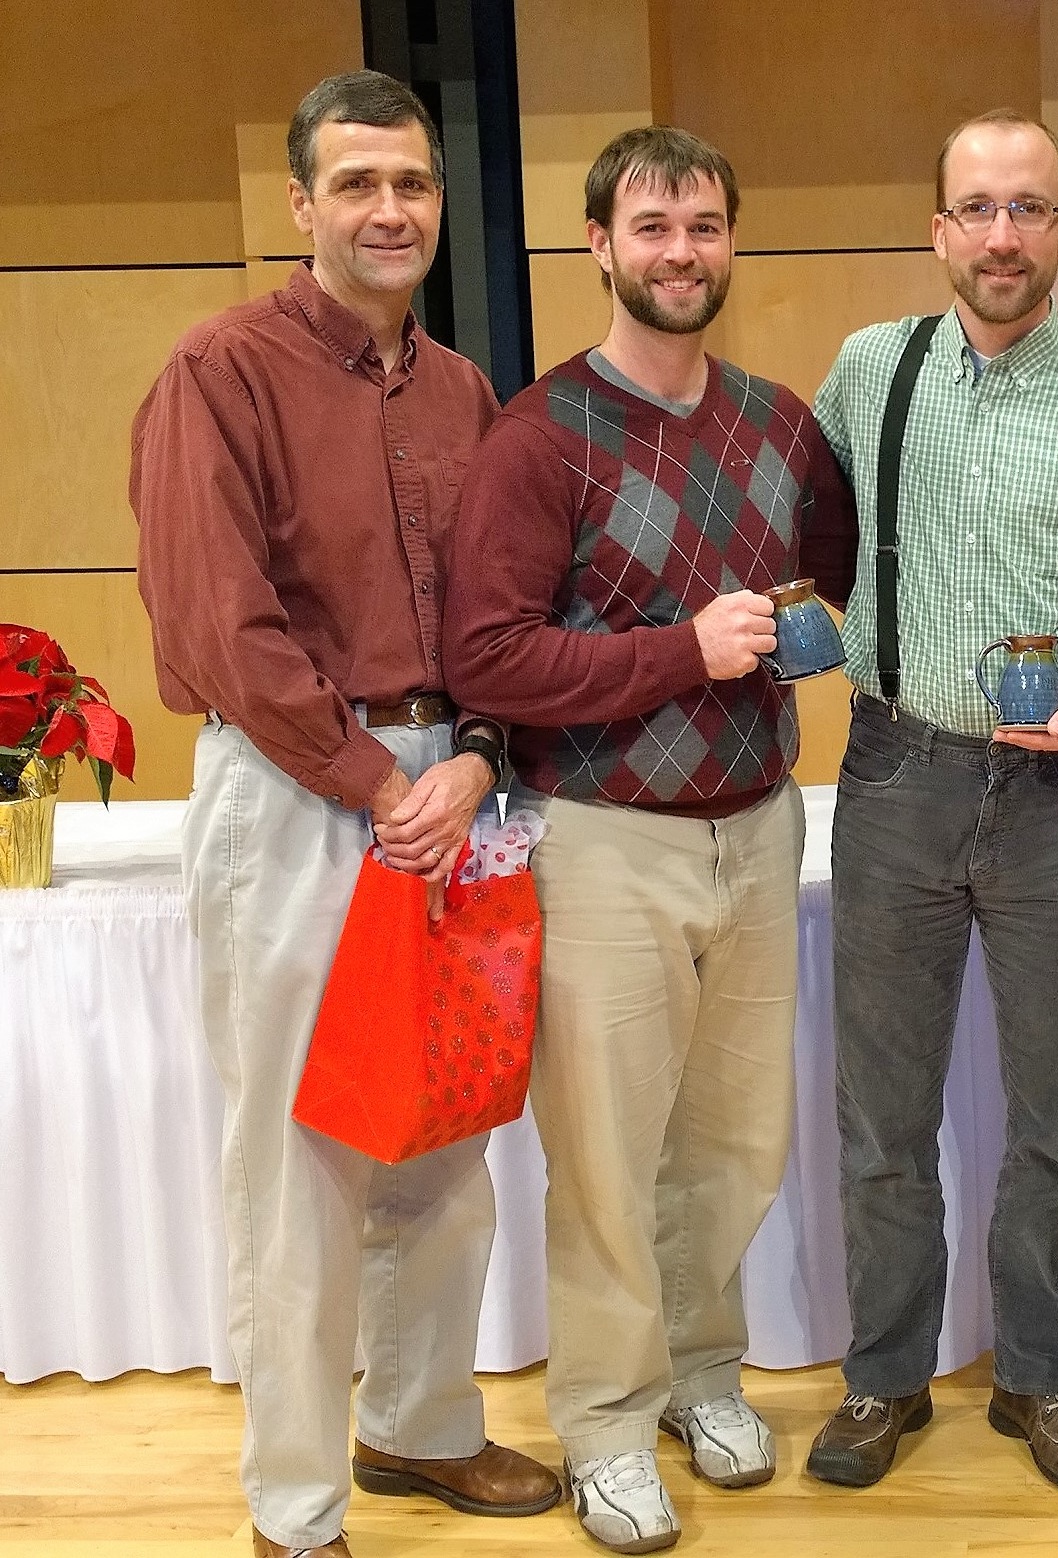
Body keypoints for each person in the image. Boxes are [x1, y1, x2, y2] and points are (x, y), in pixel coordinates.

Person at [130, 71, 560, 1558]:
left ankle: (422, 1424)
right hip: (305, 796)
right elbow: (221, 622)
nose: (391, 209)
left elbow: (512, 606)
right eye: (359, 183)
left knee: (448, 1132)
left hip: (454, 792)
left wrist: (481, 753)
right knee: (304, 1162)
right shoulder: (220, 370)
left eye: (414, 184)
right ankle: (295, 1504)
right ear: (303, 206)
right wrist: (382, 780)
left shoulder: (464, 393)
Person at [441, 126, 855, 1553]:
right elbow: (488, 659)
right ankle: (607, 1423)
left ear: (730, 242)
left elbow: (821, 584)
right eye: (651, 227)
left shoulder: (781, 422)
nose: (680, 251)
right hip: (602, 838)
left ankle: (700, 1374)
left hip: (759, 824)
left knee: (734, 1139)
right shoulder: (538, 435)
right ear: (600, 249)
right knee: (610, 1158)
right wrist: (684, 650)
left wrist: (777, 645)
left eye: (703, 225)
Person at [800, 108, 1058, 1493]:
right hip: (894, 771)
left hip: (1057, 792)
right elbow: (805, 540)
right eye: (974, 208)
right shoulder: (865, 373)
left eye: (1027, 208)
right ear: (937, 230)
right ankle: (882, 1378)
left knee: (1054, 1118)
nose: (999, 234)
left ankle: (1039, 1376)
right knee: (880, 1115)